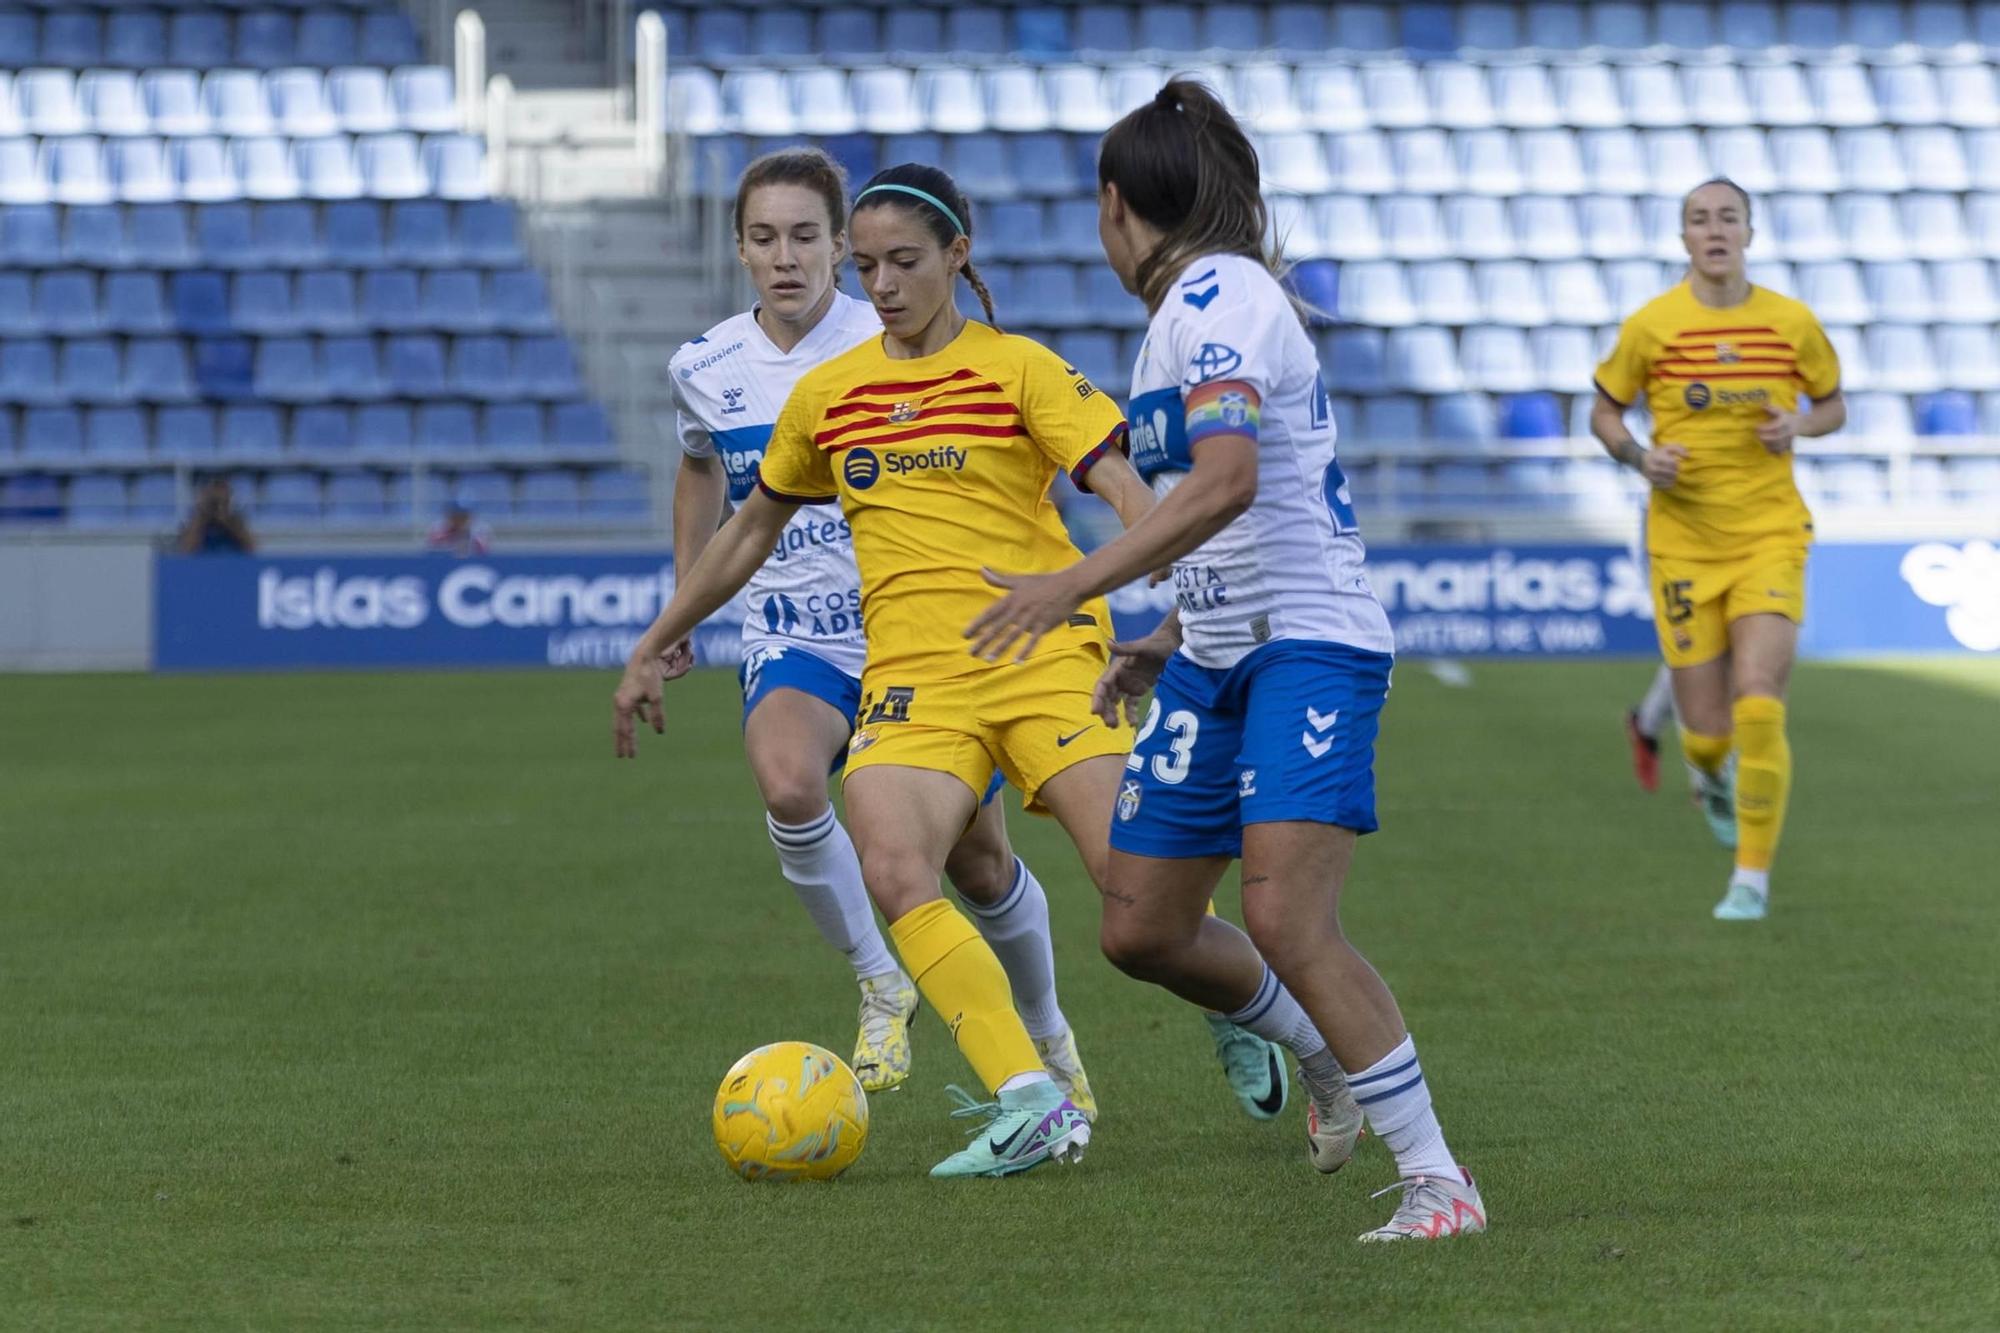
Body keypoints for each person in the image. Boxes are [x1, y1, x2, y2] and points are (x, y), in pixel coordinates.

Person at [618, 162, 1336, 1178]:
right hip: (913, 685)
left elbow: (1126, 490)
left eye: (904, 261)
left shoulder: (1021, 370)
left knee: (1139, 908)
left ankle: (1287, 1029)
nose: (883, 284)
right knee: (892, 859)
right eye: (865, 266)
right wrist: (654, 641)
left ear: (957, 255)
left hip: (1048, 661)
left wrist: (1181, 606)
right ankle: (1028, 1096)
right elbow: (745, 533)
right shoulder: (829, 393)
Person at [966, 80, 1485, 1242]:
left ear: (1115, 205)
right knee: (1140, 924)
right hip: (1213, 653)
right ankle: (1324, 1057)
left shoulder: (1217, 294)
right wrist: (1163, 633)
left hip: (1308, 646)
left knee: (1289, 919)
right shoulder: (1180, 318)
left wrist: (1075, 586)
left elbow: (1229, 478)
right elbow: (1238, 507)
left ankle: (1438, 1181)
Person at [662, 147, 1095, 1111]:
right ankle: (878, 976)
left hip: (925, 642)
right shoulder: (704, 367)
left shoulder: (897, 326)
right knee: (785, 779)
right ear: (738, 250)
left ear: (840, 241)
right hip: (796, 630)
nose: (788, 258)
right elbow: (701, 469)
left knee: (980, 864)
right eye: (765, 239)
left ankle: (1049, 1029)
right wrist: (683, 593)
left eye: (808, 237)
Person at [1592, 178, 1844, 921]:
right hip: (1682, 544)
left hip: (1770, 533)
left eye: (1728, 217)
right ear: (1683, 238)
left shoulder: (1791, 322)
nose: (1715, 229)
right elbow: (1604, 411)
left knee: (1760, 701)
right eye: (1700, 218)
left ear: (1749, 232)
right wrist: (1639, 457)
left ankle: (1751, 880)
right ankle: (1710, 772)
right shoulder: (1652, 325)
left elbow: (1834, 405)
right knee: (1705, 737)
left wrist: (1797, 426)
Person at [175, 476, 255, 554]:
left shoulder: (236, 520)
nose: (216, 503)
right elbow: (185, 551)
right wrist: (203, 514)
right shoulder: (194, 520)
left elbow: (251, 549)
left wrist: (225, 518)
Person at [426, 504, 491, 557]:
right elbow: (431, 555)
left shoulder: (477, 536)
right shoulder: (440, 535)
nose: (459, 521)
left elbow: (485, 554)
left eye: (463, 517)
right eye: (456, 516)